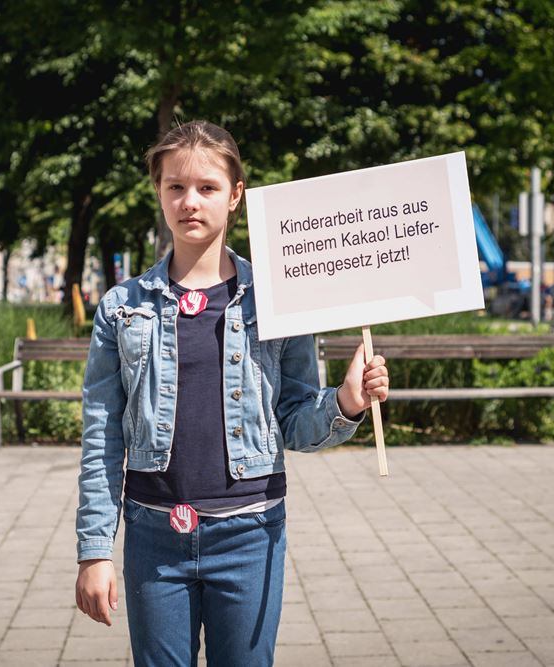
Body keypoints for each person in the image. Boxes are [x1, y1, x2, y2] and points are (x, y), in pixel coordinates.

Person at [74, 120, 389, 666]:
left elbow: (294, 419)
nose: (189, 201)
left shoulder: (276, 302)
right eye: (175, 186)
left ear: (236, 195)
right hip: (154, 539)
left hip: (250, 535)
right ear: (158, 191)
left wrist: (345, 402)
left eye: (207, 187)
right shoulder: (122, 307)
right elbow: (101, 438)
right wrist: (95, 551)